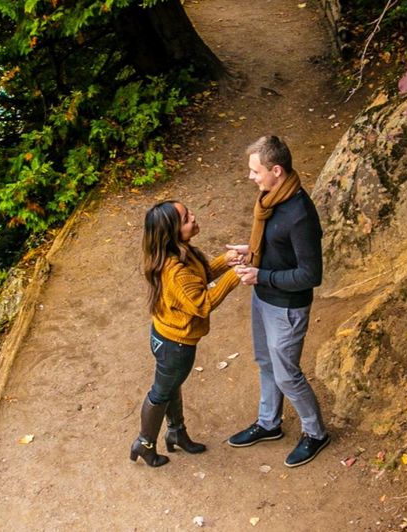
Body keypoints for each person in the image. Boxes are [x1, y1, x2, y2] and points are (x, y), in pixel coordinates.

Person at [225, 134, 330, 468]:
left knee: (287, 374)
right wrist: (251, 251)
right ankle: (269, 423)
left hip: (286, 306)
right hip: (263, 298)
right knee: (265, 362)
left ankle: (315, 433)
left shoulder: (299, 214)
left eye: (256, 172)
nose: (251, 178)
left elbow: (310, 275)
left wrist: (262, 275)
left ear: (277, 170)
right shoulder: (270, 200)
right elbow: (276, 246)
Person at [132, 199, 241, 467]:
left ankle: (176, 432)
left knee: (170, 387)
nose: (192, 216)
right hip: (175, 346)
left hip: (163, 335)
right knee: (161, 392)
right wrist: (236, 274)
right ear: (172, 232)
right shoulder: (175, 271)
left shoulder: (178, 253)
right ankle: (144, 443)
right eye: (184, 219)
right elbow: (201, 303)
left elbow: (199, 278)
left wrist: (226, 262)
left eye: (187, 212)